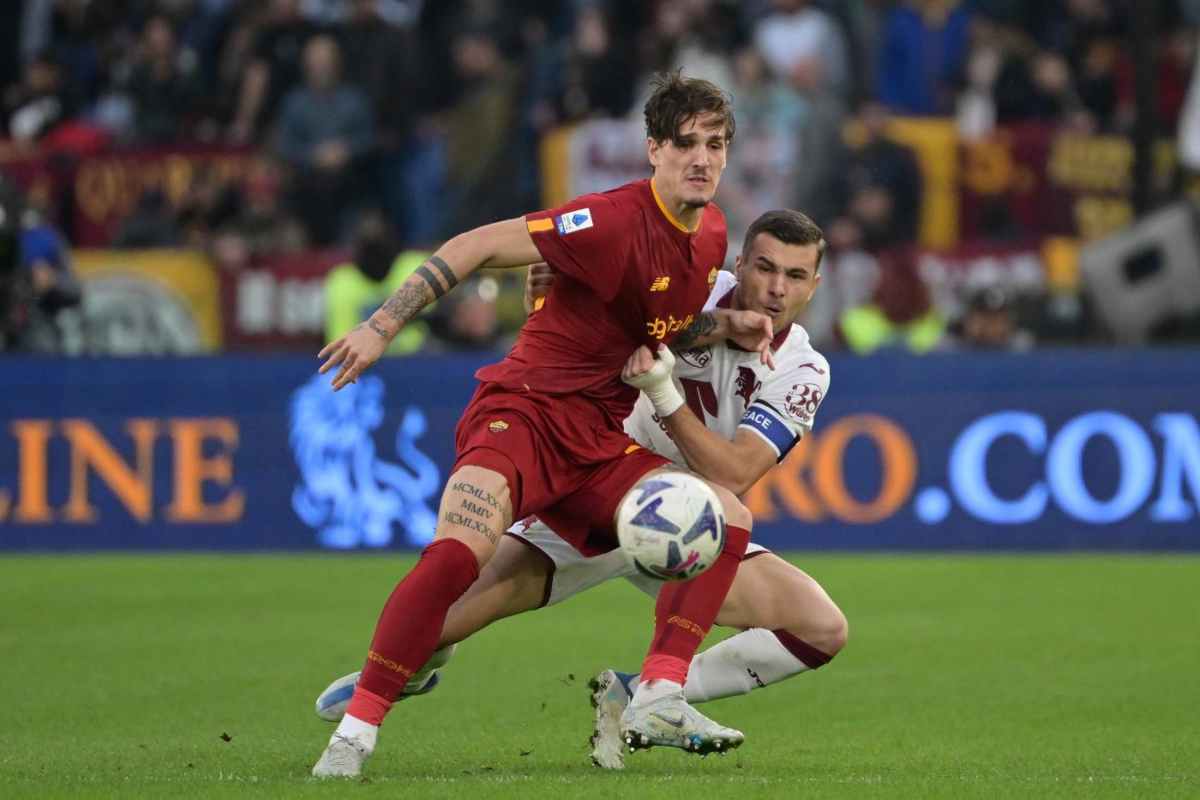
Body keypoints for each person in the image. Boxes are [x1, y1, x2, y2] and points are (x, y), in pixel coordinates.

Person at [313, 71, 775, 778]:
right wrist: (380, 327)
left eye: (715, 145)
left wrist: (726, 324)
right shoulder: (610, 220)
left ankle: (659, 694)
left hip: (596, 444)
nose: (702, 158)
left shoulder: (710, 233)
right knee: (456, 557)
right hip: (522, 415)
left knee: (726, 514)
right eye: (685, 143)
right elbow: (474, 245)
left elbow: (661, 327)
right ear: (653, 149)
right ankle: (355, 733)